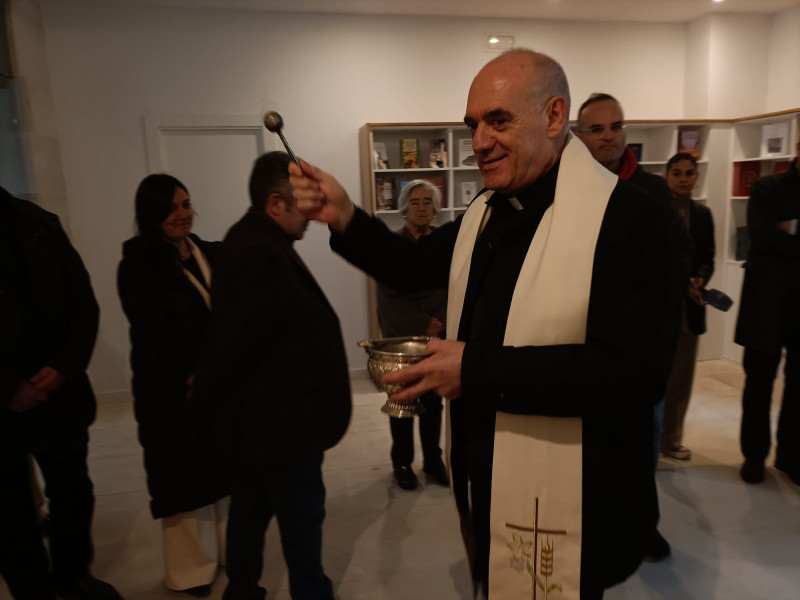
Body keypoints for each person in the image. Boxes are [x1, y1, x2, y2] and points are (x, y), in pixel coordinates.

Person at [290, 50, 684, 599]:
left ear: (553, 117)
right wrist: (345, 215)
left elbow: (631, 375)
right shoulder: (490, 209)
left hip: (581, 489)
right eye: (472, 124)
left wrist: (473, 369)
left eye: (499, 120)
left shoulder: (635, 222)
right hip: (488, 477)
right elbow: (414, 265)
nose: (478, 141)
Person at [192, 151, 352, 600]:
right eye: (301, 203)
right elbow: (237, 345)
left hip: (263, 425)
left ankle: (242, 590)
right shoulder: (259, 251)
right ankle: (309, 592)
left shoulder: (255, 242)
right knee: (302, 521)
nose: (311, 216)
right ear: (276, 203)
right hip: (281, 428)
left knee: (250, 510)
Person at [575, 92, 686, 564]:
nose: (609, 136)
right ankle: (593, 526)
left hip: (639, 340)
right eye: (597, 129)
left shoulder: (655, 192)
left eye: (615, 126)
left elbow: (672, 261)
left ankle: (644, 528)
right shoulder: (570, 190)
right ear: (579, 136)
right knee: (590, 445)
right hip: (585, 335)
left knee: (642, 443)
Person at [0, 186, 123, 600]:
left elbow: (84, 306)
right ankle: (33, 591)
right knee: (9, 511)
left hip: (59, 394)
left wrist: (64, 367)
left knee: (73, 493)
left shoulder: (40, 225)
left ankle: (72, 578)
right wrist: (8, 387)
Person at [117, 174, 229, 596]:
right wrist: (192, 370)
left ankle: (222, 552)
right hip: (170, 391)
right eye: (170, 208)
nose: (181, 214)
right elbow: (152, 331)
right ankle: (190, 570)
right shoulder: (137, 263)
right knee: (181, 478)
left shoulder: (202, 250)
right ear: (151, 215)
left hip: (211, 385)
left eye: (185, 204)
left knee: (217, 469)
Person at [734, 141, 800, 486]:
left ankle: (792, 457)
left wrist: (790, 227)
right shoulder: (765, 187)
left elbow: (777, 239)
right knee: (758, 383)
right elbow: (760, 237)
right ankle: (754, 456)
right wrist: (778, 233)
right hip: (766, 304)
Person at [376, 179, 448, 490]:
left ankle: (433, 461)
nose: (421, 208)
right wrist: (423, 322)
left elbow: (453, 289)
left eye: (427, 203)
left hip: (437, 340)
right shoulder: (392, 247)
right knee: (403, 403)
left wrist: (440, 321)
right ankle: (402, 463)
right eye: (415, 202)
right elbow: (388, 298)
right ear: (405, 208)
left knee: (434, 403)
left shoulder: (445, 245)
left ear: (435, 209)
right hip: (402, 342)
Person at [661, 153, 715, 461]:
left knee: (681, 380)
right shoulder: (656, 210)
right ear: (667, 176)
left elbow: (708, 255)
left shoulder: (704, 214)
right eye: (677, 173)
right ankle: (651, 437)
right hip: (661, 306)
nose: (683, 178)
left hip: (690, 307)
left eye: (689, 173)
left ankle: (671, 440)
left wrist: (700, 278)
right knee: (657, 377)